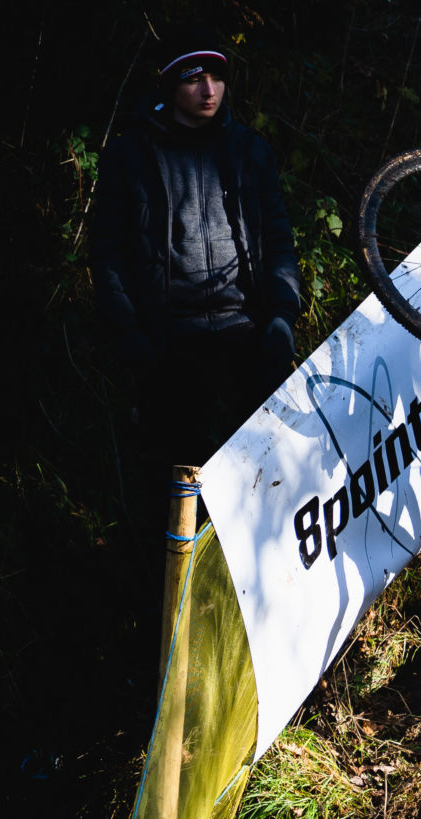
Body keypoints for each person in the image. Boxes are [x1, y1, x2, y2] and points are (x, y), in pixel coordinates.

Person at [91, 25, 301, 508]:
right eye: (193, 79)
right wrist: (129, 333)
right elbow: (108, 254)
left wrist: (282, 318)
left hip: (247, 333)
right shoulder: (130, 156)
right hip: (170, 342)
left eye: (217, 78)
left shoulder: (251, 150)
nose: (209, 90)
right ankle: (175, 574)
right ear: (168, 84)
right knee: (179, 487)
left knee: (264, 481)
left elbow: (278, 242)